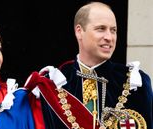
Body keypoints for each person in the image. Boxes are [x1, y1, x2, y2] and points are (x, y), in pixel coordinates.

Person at [24, 1, 153, 129]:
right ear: (79, 31)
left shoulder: (135, 83)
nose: (109, 37)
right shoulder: (53, 83)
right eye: (101, 29)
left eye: (113, 30)